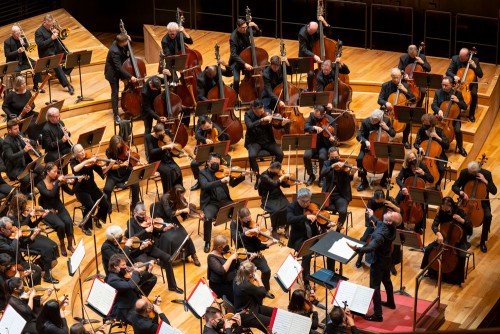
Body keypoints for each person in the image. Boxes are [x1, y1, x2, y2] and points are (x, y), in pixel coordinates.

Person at [348, 209, 402, 322]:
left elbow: (370, 248)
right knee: (387, 281)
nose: (389, 211)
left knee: (374, 287)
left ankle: (378, 315)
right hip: (387, 258)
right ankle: (391, 303)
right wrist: (372, 216)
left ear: (389, 222)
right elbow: (379, 222)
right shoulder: (392, 228)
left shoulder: (380, 235)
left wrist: (357, 249)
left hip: (378, 262)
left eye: (391, 214)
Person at [127, 203, 183, 294]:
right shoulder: (130, 222)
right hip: (139, 251)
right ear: (134, 213)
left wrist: (163, 229)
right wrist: (145, 230)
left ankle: (172, 286)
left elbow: (155, 232)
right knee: (144, 266)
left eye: (144, 214)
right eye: (141, 215)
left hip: (150, 247)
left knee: (167, 258)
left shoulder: (147, 220)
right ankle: (139, 292)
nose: (143, 217)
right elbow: (132, 238)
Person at [287, 188, 336, 287]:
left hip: (314, 237)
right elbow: (290, 219)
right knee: (307, 254)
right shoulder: (291, 207)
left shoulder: (313, 206)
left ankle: (331, 274)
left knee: (331, 249)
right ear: (298, 199)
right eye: (303, 201)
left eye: (308, 201)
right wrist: (305, 217)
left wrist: (327, 225)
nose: (306, 204)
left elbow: (319, 221)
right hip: (299, 239)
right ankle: (306, 281)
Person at [8, 193, 60, 284]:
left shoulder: (21, 212)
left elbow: (30, 225)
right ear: (19, 205)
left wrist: (40, 218)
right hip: (23, 240)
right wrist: (29, 216)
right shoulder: (11, 216)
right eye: (24, 204)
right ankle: (47, 275)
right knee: (47, 248)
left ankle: (42, 261)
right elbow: (21, 226)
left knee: (53, 244)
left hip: (30, 233)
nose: (26, 206)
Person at [200, 152, 246, 253]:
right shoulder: (203, 173)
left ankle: (239, 239)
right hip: (211, 202)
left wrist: (241, 176)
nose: (216, 165)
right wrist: (220, 181)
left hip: (224, 200)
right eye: (214, 163)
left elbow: (233, 183)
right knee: (207, 217)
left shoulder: (223, 170)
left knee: (239, 212)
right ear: (208, 162)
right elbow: (205, 186)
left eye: (218, 162)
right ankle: (207, 241)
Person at [420, 197, 472, 285]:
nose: (442, 207)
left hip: (457, 241)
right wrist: (438, 233)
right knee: (429, 249)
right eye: (442, 205)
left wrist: (462, 220)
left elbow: (470, 230)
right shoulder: (441, 212)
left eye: (444, 206)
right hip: (443, 238)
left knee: (462, 256)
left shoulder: (460, 212)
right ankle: (430, 271)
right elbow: (434, 225)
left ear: (450, 206)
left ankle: (457, 279)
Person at [452, 160, 497, 253]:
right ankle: (460, 238)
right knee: (456, 214)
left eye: (472, 173)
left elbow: (494, 191)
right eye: (469, 171)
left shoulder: (486, 174)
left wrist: (485, 181)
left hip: (480, 203)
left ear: (477, 171)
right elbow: (454, 186)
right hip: (466, 201)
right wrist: (461, 192)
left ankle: (483, 241)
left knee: (488, 216)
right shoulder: (465, 172)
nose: (470, 173)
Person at [151, 184, 201, 266]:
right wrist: (182, 211)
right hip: (162, 219)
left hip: (172, 218)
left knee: (185, 235)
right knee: (170, 238)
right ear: (176, 194)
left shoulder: (179, 199)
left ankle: (193, 255)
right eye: (181, 195)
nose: (182, 197)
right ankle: (167, 259)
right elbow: (169, 213)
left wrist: (194, 215)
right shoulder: (165, 198)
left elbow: (182, 211)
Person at [233, 207, 277, 299]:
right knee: (245, 275)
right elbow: (235, 238)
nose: (248, 222)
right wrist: (247, 232)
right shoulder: (234, 224)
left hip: (255, 253)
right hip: (243, 254)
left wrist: (269, 244)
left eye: (249, 219)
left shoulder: (253, 225)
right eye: (246, 220)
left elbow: (258, 245)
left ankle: (265, 290)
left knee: (266, 271)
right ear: (240, 218)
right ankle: (248, 293)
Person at [101, 225, 157, 296]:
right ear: (115, 239)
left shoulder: (117, 244)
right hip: (120, 274)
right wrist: (127, 246)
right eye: (120, 236)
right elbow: (120, 260)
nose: (122, 237)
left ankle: (138, 296)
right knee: (151, 278)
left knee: (151, 277)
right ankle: (137, 296)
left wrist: (141, 248)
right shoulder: (106, 248)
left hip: (127, 269)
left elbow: (130, 256)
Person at [70, 143, 113, 235]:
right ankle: (84, 225)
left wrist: (109, 166)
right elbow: (75, 169)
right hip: (80, 190)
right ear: (75, 154)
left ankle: (98, 217)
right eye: (79, 152)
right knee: (90, 205)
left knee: (105, 203)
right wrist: (87, 161)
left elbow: (102, 172)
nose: (82, 153)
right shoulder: (73, 161)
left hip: (92, 186)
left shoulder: (90, 160)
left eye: (82, 150)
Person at [355, 190, 401, 273]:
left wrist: (393, 206)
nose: (380, 202)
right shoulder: (372, 201)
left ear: (384, 198)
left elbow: (401, 212)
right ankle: (359, 258)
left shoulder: (390, 200)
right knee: (363, 239)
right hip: (374, 224)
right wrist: (372, 223)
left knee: (396, 244)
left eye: (381, 200)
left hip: (388, 226)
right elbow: (368, 215)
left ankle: (391, 264)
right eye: (378, 200)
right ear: (375, 198)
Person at [244, 99, 287, 185]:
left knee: (280, 154)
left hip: (268, 141)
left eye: (262, 111)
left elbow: (275, 126)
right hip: (254, 141)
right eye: (258, 113)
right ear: (253, 109)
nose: (261, 113)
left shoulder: (267, 112)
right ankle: (258, 178)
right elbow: (250, 126)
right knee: (252, 156)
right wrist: (261, 120)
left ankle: (271, 172)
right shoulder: (248, 115)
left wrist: (281, 124)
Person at [36, 162, 76, 256]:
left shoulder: (58, 180)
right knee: (60, 225)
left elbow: (71, 192)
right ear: (47, 172)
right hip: (47, 210)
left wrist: (78, 182)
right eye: (54, 171)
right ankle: (62, 245)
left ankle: (70, 245)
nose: (56, 173)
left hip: (59, 206)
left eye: (57, 171)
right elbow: (50, 195)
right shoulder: (40, 185)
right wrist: (58, 182)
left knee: (68, 221)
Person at [355, 109, 396, 191]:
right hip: (368, 147)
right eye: (372, 119)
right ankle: (364, 181)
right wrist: (366, 141)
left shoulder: (386, 120)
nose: (373, 121)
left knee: (392, 161)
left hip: (382, 147)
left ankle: (384, 180)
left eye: (375, 120)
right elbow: (358, 135)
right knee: (359, 159)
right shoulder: (366, 122)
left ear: (380, 119)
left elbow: (393, 134)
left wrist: (387, 128)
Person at [395, 150, 434, 233]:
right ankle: (400, 224)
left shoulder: (422, 166)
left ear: (416, 157)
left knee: (424, 204)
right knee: (395, 203)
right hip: (407, 191)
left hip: (418, 192)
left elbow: (431, 179)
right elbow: (398, 179)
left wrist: (423, 173)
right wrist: (403, 187)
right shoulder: (405, 168)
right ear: (407, 161)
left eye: (413, 158)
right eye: (409, 159)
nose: (412, 160)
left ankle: (418, 226)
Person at [34, 14, 74, 94]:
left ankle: (62, 73)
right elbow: (41, 45)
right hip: (47, 53)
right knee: (56, 63)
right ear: (45, 22)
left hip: (58, 50)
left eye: (52, 24)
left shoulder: (52, 28)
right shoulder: (39, 32)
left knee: (72, 57)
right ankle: (67, 85)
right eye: (49, 25)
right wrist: (51, 38)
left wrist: (58, 34)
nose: (51, 26)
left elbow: (61, 38)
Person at [377, 68, 415, 149]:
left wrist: (405, 90)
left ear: (401, 76)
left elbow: (413, 99)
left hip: (400, 111)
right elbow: (379, 100)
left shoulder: (405, 85)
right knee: (381, 119)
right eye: (394, 77)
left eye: (398, 77)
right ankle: (384, 139)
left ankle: (405, 140)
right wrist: (386, 103)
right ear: (391, 76)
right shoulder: (385, 85)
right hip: (388, 111)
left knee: (407, 121)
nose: (396, 79)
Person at [190, 116, 231, 191]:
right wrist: (205, 139)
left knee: (218, 164)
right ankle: (200, 181)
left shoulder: (217, 130)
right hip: (206, 152)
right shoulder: (203, 126)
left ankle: (218, 182)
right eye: (204, 128)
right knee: (193, 164)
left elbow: (224, 144)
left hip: (216, 154)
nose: (206, 129)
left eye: (207, 127)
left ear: (211, 123)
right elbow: (197, 135)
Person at [3, 119, 43, 195]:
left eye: (18, 128)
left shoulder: (19, 135)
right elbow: (11, 157)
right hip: (14, 168)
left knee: (41, 169)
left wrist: (29, 141)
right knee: (26, 178)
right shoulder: (6, 142)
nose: (18, 130)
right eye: (15, 129)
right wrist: (24, 151)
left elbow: (34, 143)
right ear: (9, 131)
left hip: (23, 164)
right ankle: (23, 194)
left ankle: (32, 188)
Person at [431, 76, 468, 157]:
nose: (444, 87)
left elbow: (465, 106)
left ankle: (460, 148)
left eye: (446, 85)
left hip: (453, 119)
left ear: (451, 85)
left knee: (458, 130)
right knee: (432, 127)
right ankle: (436, 146)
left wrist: (458, 101)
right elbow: (433, 105)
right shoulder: (438, 92)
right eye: (442, 85)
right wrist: (439, 110)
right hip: (440, 117)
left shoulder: (458, 93)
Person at [104, 33, 137, 124]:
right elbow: (118, 68)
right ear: (121, 43)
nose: (127, 43)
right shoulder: (114, 51)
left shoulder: (119, 42)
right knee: (115, 92)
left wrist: (129, 40)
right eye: (126, 42)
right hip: (113, 73)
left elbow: (126, 50)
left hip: (121, 69)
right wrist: (130, 76)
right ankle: (116, 115)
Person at [0, 217, 42, 286]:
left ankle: (32, 291)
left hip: (20, 262)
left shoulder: (11, 235)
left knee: (37, 270)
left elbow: (23, 244)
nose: (12, 230)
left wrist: (33, 235)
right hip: (10, 266)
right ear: (2, 230)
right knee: (21, 284)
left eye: (12, 227)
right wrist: (17, 237)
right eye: (10, 229)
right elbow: (12, 249)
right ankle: (26, 292)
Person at [233, 261, 274, 332]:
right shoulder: (246, 286)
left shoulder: (237, 278)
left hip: (250, 307)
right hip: (247, 315)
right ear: (250, 275)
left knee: (275, 312)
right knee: (272, 324)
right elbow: (263, 292)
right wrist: (259, 279)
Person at [103, 135, 140, 213]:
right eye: (117, 146)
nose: (120, 147)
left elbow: (133, 161)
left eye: (120, 145)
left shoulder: (125, 147)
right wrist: (121, 165)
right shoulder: (109, 151)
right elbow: (111, 167)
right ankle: (108, 207)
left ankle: (134, 206)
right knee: (107, 189)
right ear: (113, 146)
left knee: (135, 184)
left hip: (126, 172)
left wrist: (132, 159)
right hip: (114, 175)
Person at [446, 47, 483, 122]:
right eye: (460, 57)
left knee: (474, 94)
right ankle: (452, 110)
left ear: (467, 56)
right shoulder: (455, 59)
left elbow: (480, 75)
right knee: (449, 90)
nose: (460, 59)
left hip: (470, 83)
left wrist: (474, 66)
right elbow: (448, 72)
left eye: (462, 58)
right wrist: (454, 76)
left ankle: (471, 114)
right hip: (458, 82)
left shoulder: (475, 60)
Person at [320, 146, 354, 230]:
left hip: (341, 196)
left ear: (339, 156)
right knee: (319, 209)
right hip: (328, 194)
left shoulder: (344, 165)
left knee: (342, 211)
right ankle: (324, 227)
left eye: (336, 157)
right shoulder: (326, 164)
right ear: (329, 156)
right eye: (332, 157)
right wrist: (332, 166)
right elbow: (322, 173)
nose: (335, 159)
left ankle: (338, 229)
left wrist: (351, 173)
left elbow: (349, 179)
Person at [414, 113, 449, 191]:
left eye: (426, 124)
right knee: (415, 164)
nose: (424, 126)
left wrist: (437, 137)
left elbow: (447, 145)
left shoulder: (439, 131)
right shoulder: (421, 130)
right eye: (423, 124)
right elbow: (415, 143)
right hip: (423, 154)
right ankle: (419, 181)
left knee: (441, 168)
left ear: (432, 124)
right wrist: (419, 148)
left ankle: (437, 183)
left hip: (438, 155)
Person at [144, 123, 183, 193]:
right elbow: (151, 152)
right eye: (160, 133)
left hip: (165, 158)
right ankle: (168, 193)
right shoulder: (148, 137)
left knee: (177, 169)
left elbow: (169, 149)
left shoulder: (165, 135)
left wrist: (177, 155)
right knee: (167, 172)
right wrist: (164, 147)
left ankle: (178, 191)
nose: (163, 135)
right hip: (156, 161)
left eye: (163, 132)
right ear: (156, 132)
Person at [304, 105, 337, 186]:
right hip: (313, 143)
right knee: (306, 156)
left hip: (324, 145)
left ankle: (322, 177)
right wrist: (313, 127)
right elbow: (305, 127)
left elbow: (335, 134)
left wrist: (332, 138)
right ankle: (311, 175)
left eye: (318, 117)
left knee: (322, 157)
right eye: (316, 116)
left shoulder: (331, 120)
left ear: (323, 114)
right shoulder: (312, 116)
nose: (317, 118)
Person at [297, 16, 333, 91]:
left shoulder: (316, 30)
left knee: (328, 68)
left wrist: (324, 22)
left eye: (313, 32)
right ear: (308, 26)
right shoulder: (302, 34)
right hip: (307, 56)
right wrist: (314, 56)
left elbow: (329, 33)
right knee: (310, 74)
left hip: (317, 53)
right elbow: (303, 49)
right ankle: (310, 91)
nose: (311, 33)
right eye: (310, 31)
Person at [105, 254, 142, 325]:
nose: (126, 267)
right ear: (115, 266)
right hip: (126, 308)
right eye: (123, 265)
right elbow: (130, 285)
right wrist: (135, 272)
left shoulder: (119, 272)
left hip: (132, 299)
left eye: (125, 264)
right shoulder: (113, 280)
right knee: (142, 324)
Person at [257, 161, 290, 238]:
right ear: (274, 168)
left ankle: (287, 227)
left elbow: (284, 185)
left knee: (289, 207)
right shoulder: (264, 176)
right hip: (268, 198)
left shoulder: (277, 173)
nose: (279, 171)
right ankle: (274, 229)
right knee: (276, 210)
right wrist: (283, 177)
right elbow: (274, 183)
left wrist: (290, 182)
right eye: (278, 170)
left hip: (278, 195)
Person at [4, 25, 43, 91]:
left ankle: (36, 86)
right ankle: (20, 89)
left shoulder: (23, 38)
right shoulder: (7, 42)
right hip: (14, 62)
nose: (19, 34)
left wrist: (24, 44)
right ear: (12, 33)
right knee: (17, 72)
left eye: (20, 32)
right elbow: (7, 54)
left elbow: (28, 49)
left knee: (37, 64)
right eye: (17, 33)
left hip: (23, 60)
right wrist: (17, 51)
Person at [2, 76, 42, 140]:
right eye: (22, 84)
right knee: (31, 125)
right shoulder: (11, 95)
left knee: (40, 117)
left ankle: (39, 136)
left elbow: (33, 105)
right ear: (17, 86)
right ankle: (33, 140)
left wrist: (30, 108)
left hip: (28, 114)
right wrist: (11, 115)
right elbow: (4, 106)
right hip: (17, 117)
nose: (25, 85)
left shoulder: (28, 92)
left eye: (24, 83)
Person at [228, 18, 261, 94]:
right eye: (243, 28)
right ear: (238, 27)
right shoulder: (233, 38)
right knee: (236, 80)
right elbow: (233, 55)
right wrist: (244, 64)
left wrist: (255, 26)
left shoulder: (246, 30)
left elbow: (259, 34)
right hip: (237, 61)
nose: (245, 29)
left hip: (247, 59)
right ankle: (235, 98)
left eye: (246, 27)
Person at [207, 235, 239, 304]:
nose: (227, 248)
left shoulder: (224, 252)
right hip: (220, 285)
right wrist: (231, 258)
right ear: (219, 248)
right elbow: (222, 271)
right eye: (225, 246)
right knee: (235, 298)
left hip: (230, 280)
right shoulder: (211, 258)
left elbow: (234, 266)